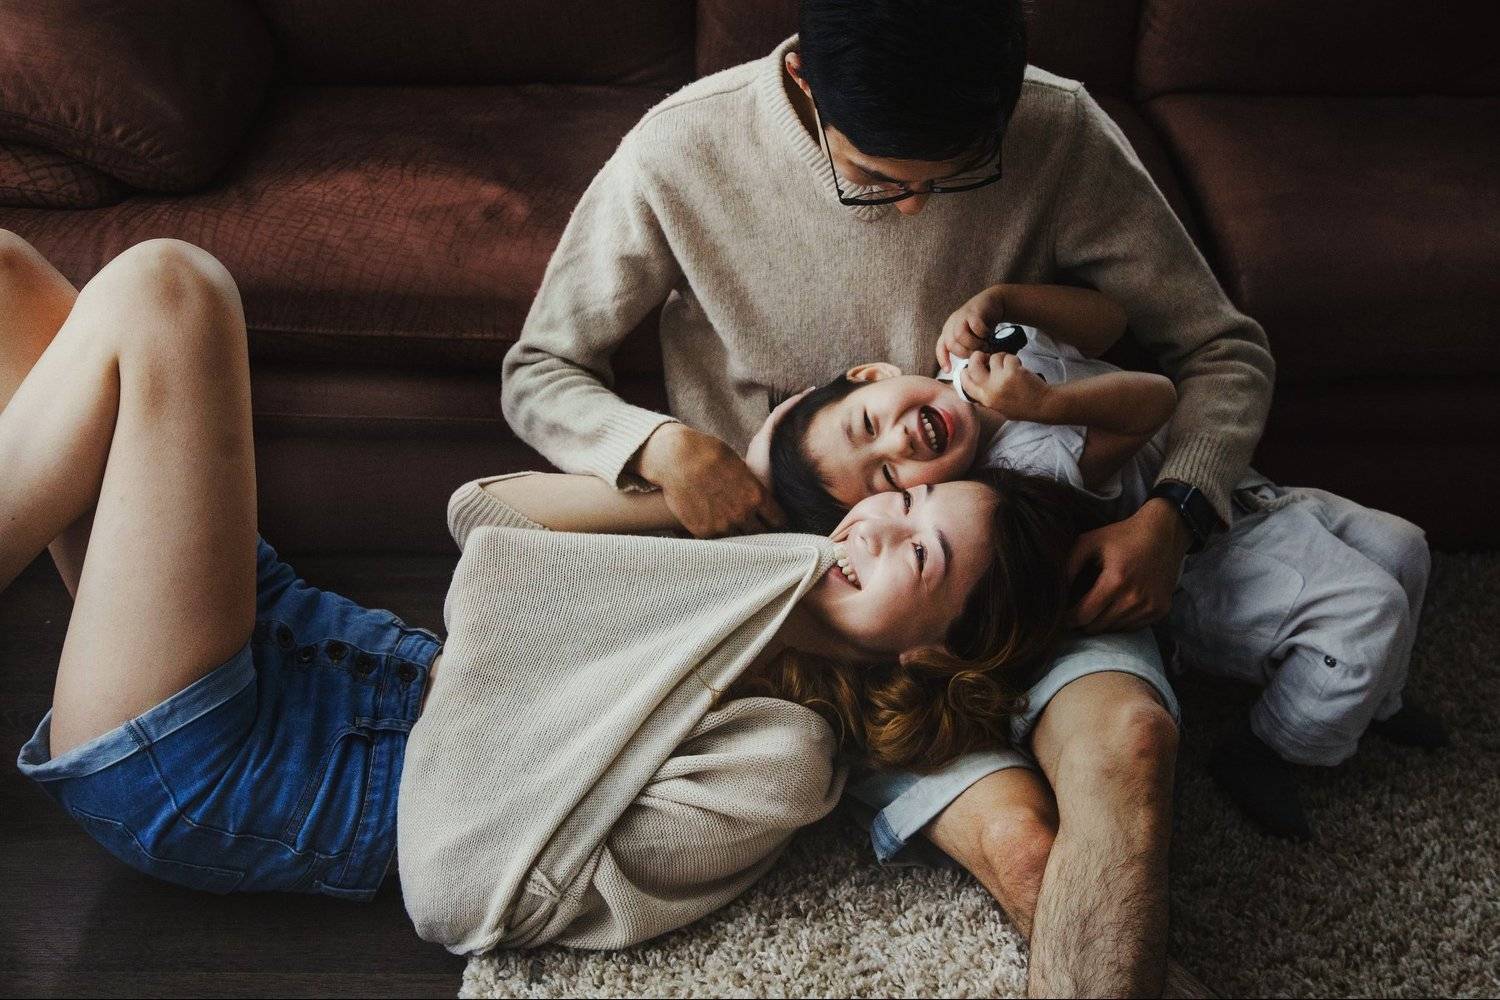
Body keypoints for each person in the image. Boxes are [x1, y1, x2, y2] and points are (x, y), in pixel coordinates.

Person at [0, 233, 1099, 953]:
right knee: (8, 276)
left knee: (168, 291)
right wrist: (731, 499)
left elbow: (459, 888)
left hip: (236, 762)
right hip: (292, 630)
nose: (878, 523)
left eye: (921, 555)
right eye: (900, 498)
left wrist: (765, 574)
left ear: (931, 651)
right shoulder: (746, 574)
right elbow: (485, 520)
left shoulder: (781, 753)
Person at [500, 0, 1274, 992]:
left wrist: (1177, 511)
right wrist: (658, 445)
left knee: (1132, 747)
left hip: (1045, 552)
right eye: (875, 180)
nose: (916, 210)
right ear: (805, 81)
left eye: (957, 176)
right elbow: (540, 370)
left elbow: (1220, 349)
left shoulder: (1057, 126)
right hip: (857, 613)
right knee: (1024, 848)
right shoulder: (679, 150)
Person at [767, 279, 1448, 841]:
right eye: (890, 478)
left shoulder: (967, 356)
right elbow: (1155, 401)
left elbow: (1107, 323)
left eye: (868, 421)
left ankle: (1379, 701)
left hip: (1245, 493)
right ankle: (1271, 747)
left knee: (1403, 547)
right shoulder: (1022, 477)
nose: (900, 442)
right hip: (1209, 559)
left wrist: (1007, 300)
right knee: (1364, 615)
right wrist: (1046, 404)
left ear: (874, 376)